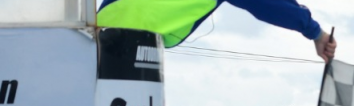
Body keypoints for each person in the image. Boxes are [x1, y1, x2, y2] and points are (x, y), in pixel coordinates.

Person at [96, 0, 337, 61]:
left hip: (101, 33)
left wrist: (314, 31)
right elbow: (268, 4)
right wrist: (314, 32)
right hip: (120, 44)